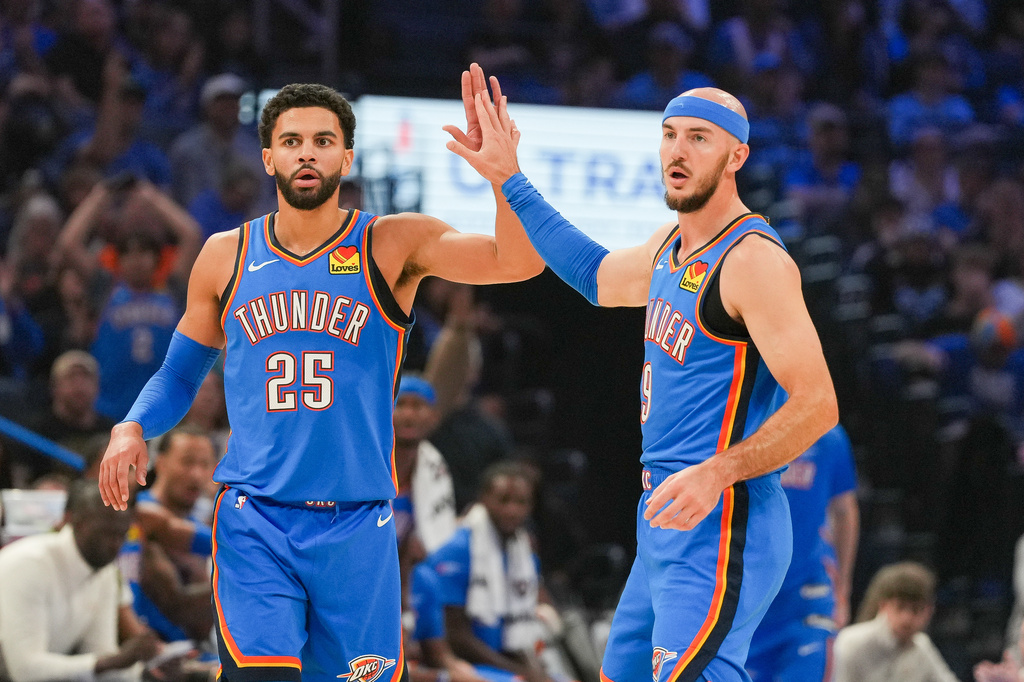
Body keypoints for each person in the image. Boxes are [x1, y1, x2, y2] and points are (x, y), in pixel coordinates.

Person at [98, 65, 543, 682]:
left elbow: (515, 263)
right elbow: (177, 376)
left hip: (358, 523)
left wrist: (506, 181)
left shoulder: (392, 244)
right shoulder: (225, 254)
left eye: (323, 141)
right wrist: (131, 427)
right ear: (268, 158)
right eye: (292, 141)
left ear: (347, 156)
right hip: (257, 517)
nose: (307, 153)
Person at [447, 86, 838, 682]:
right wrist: (510, 179)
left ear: (736, 157)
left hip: (723, 517)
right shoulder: (669, 246)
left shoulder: (753, 261)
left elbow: (818, 404)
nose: (678, 151)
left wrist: (717, 473)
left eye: (699, 138)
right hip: (662, 517)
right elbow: (594, 276)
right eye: (670, 134)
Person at [0, 480, 161, 682]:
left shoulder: (106, 572)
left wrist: (148, 672)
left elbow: (100, 657)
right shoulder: (29, 565)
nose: (115, 544)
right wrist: (111, 661)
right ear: (73, 520)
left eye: (122, 534)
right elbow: (25, 671)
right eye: (105, 532)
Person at [745, 423, 860, 681]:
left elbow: (844, 511)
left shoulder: (828, 435)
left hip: (807, 597)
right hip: (746, 601)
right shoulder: (738, 427)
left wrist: (843, 589)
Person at [427, 462, 552, 682]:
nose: (512, 510)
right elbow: (456, 636)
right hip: (461, 664)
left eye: (521, 502)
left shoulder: (524, 553)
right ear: (483, 498)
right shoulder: (458, 548)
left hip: (503, 660)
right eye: (503, 500)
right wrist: (525, 673)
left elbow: (515, 632)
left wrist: (536, 672)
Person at [833, 562, 957, 682]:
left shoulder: (921, 646)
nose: (907, 618)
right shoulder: (851, 642)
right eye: (900, 607)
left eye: (915, 610)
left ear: (929, 611)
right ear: (883, 606)